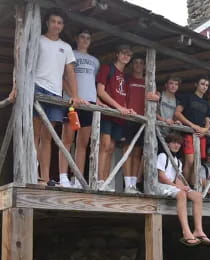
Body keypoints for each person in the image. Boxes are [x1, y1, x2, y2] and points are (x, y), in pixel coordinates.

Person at [34, 8, 84, 184]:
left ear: (63, 26)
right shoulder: (37, 40)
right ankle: (31, 173)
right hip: (37, 87)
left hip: (55, 93)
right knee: (34, 134)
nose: (56, 25)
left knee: (48, 137)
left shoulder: (66, 47)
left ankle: (44, 178)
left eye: (60, 23)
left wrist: (75, 95)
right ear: (47, 22)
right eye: (54, 21)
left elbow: (70, 72)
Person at [157, 132, 210, 246]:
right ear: (167, 144)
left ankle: (198, 230)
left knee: (197, 195)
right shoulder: (162, 156)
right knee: (181, 194)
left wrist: (182, 186)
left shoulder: (178, 161)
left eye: (178, 143)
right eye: (173, 142)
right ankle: (186, 231)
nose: (176, 145)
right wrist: (178, 187)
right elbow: (161, 177)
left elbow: (178, 179)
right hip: (160, 186)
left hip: (172, 186)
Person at [59, 28, 99, 188]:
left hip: (89, 104)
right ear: (77, 38)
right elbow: (63, 78)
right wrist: (72, 96)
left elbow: (91, 83)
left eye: (88, 38)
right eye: (82, 37)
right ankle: (63, 177)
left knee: (82, 144)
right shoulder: (70, 53)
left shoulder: (95, 61)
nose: (85, 40)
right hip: (72, 103)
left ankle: (78, 179)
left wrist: (96, 101)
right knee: (67, 140)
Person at [96, 44, 135, 191]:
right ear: (117, 54)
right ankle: (99, 181)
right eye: (123, 53)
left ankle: (105, 182)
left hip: (119, 115)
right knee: (104, 145)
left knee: (111, 148)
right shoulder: (107, 68)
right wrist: (117, 107)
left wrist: (126, 108)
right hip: (108, 112)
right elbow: (101, 91)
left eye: (128, 55)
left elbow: (123, 97)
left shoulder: (125, 76)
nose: (126, 56)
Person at [175, 76, 210, 185]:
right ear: (196, 84)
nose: (204, 87)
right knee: (189, 161)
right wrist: (192, 125)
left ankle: (192, 187)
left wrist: (205, 130)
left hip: (201, 136)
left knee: (197, 162)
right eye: (202, 84)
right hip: (188, 133)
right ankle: (184, 185)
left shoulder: (206, 104)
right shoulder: (188, 97)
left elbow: (208, 122)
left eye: (206, 85)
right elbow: (177, 113)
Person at [121, 55, 148, 193]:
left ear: (144, 66)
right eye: (136, 62)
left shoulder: (148, 82)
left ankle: (133, 184)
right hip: (129, 119)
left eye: (141, 62)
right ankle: (127, 185)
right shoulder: (127, 80)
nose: (138, 65)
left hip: (142, 121)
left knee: (137, 153)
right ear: (132, 65)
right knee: (127, 152)